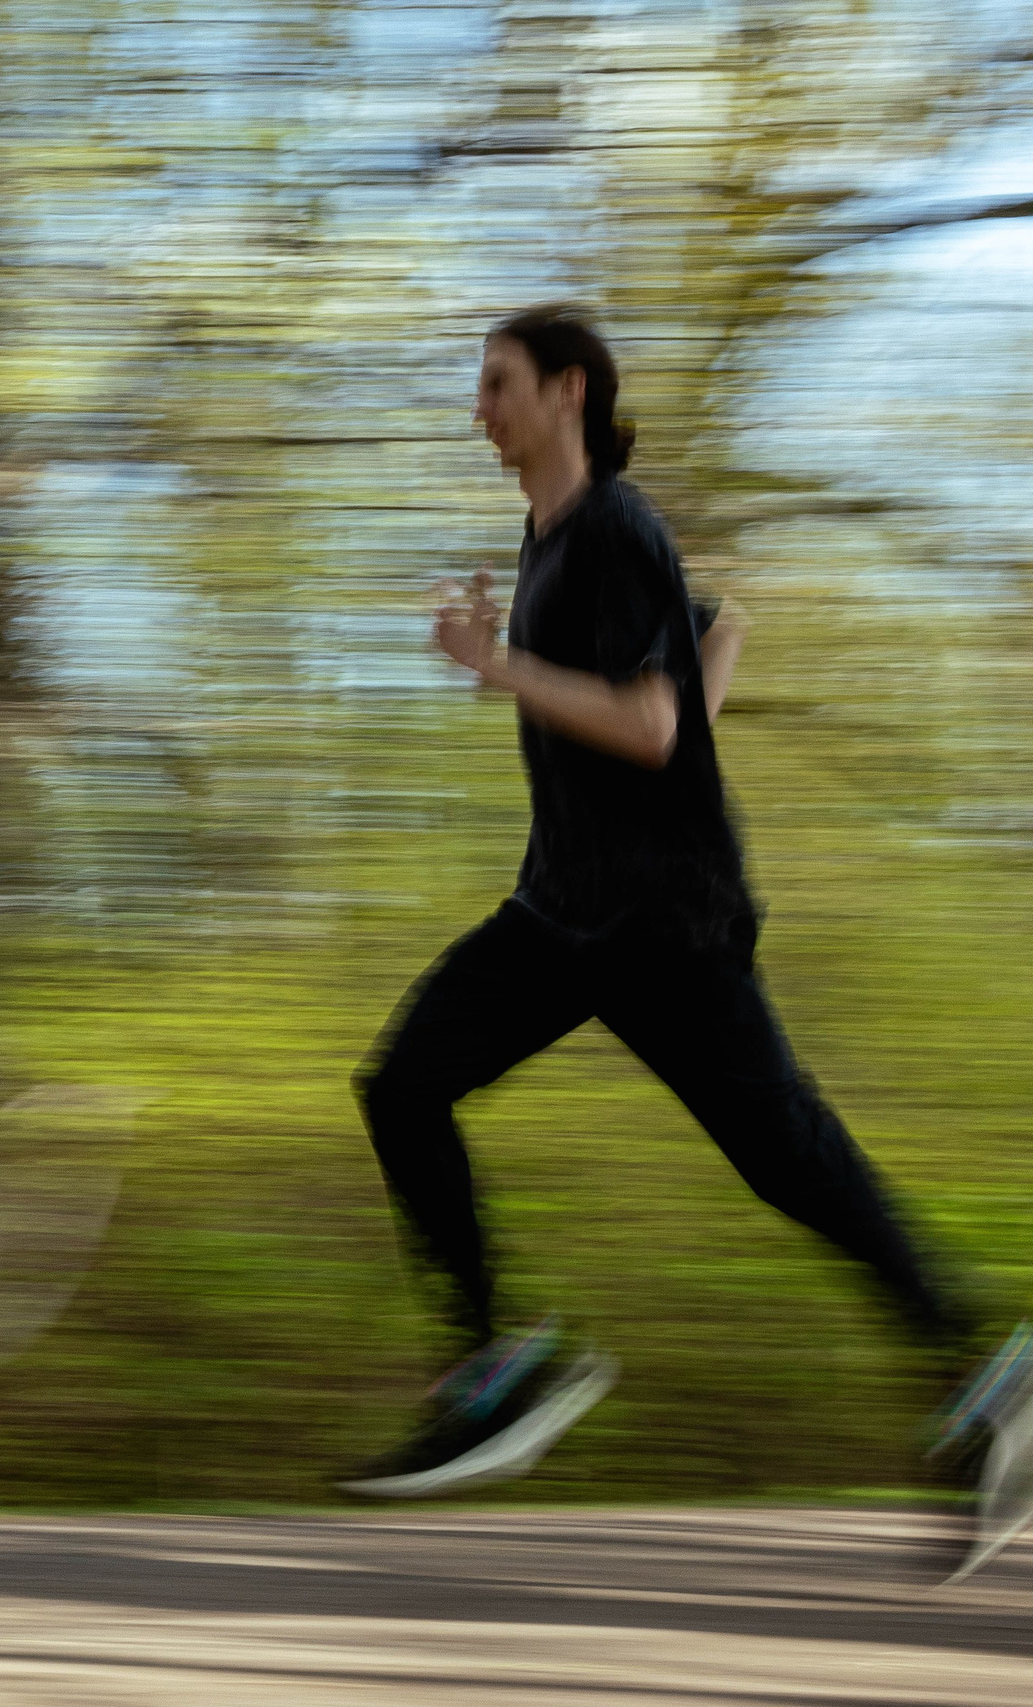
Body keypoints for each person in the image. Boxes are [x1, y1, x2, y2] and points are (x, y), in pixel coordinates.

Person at [344, 306, 1028, 1571]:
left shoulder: (612, 525)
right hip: (564, 910)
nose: (475, 409)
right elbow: (706, 646)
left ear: (568, 390)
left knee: (791, 1162)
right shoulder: (555, 537)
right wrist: (571, 658)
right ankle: (495, 1371)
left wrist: (495, 666)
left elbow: (653, 728)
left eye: (495, 383)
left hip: (660, 919)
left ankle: (985, 1374)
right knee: (403, 1084)